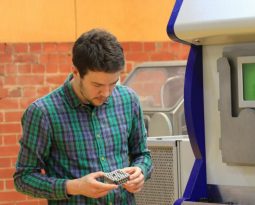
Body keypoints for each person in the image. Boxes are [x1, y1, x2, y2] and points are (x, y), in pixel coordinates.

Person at [13, 28, 153, 204]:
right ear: (76, 72)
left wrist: (140, 171)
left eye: (113, 83)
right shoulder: (43, 112)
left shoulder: (128, 99)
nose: (107, 93)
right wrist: (75, 186)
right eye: (97, 84)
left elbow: (143, 155)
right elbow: (23, 178)